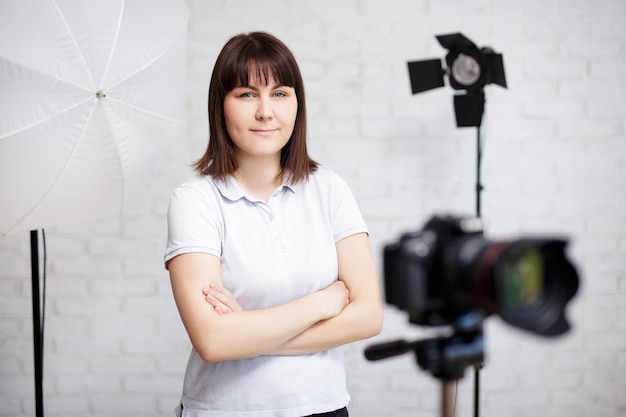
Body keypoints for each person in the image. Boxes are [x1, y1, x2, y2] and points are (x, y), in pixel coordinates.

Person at [164, 31, 384, 417]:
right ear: (221, 106)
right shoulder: (195, 199)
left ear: (297, 104)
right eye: (247, 94)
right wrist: (323, 302)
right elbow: (213, 342)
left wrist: (246, 333)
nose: (266, 112)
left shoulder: (329, 189)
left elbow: (368, 316)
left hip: (323, 408)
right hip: (224, 410)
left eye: (280, 93)